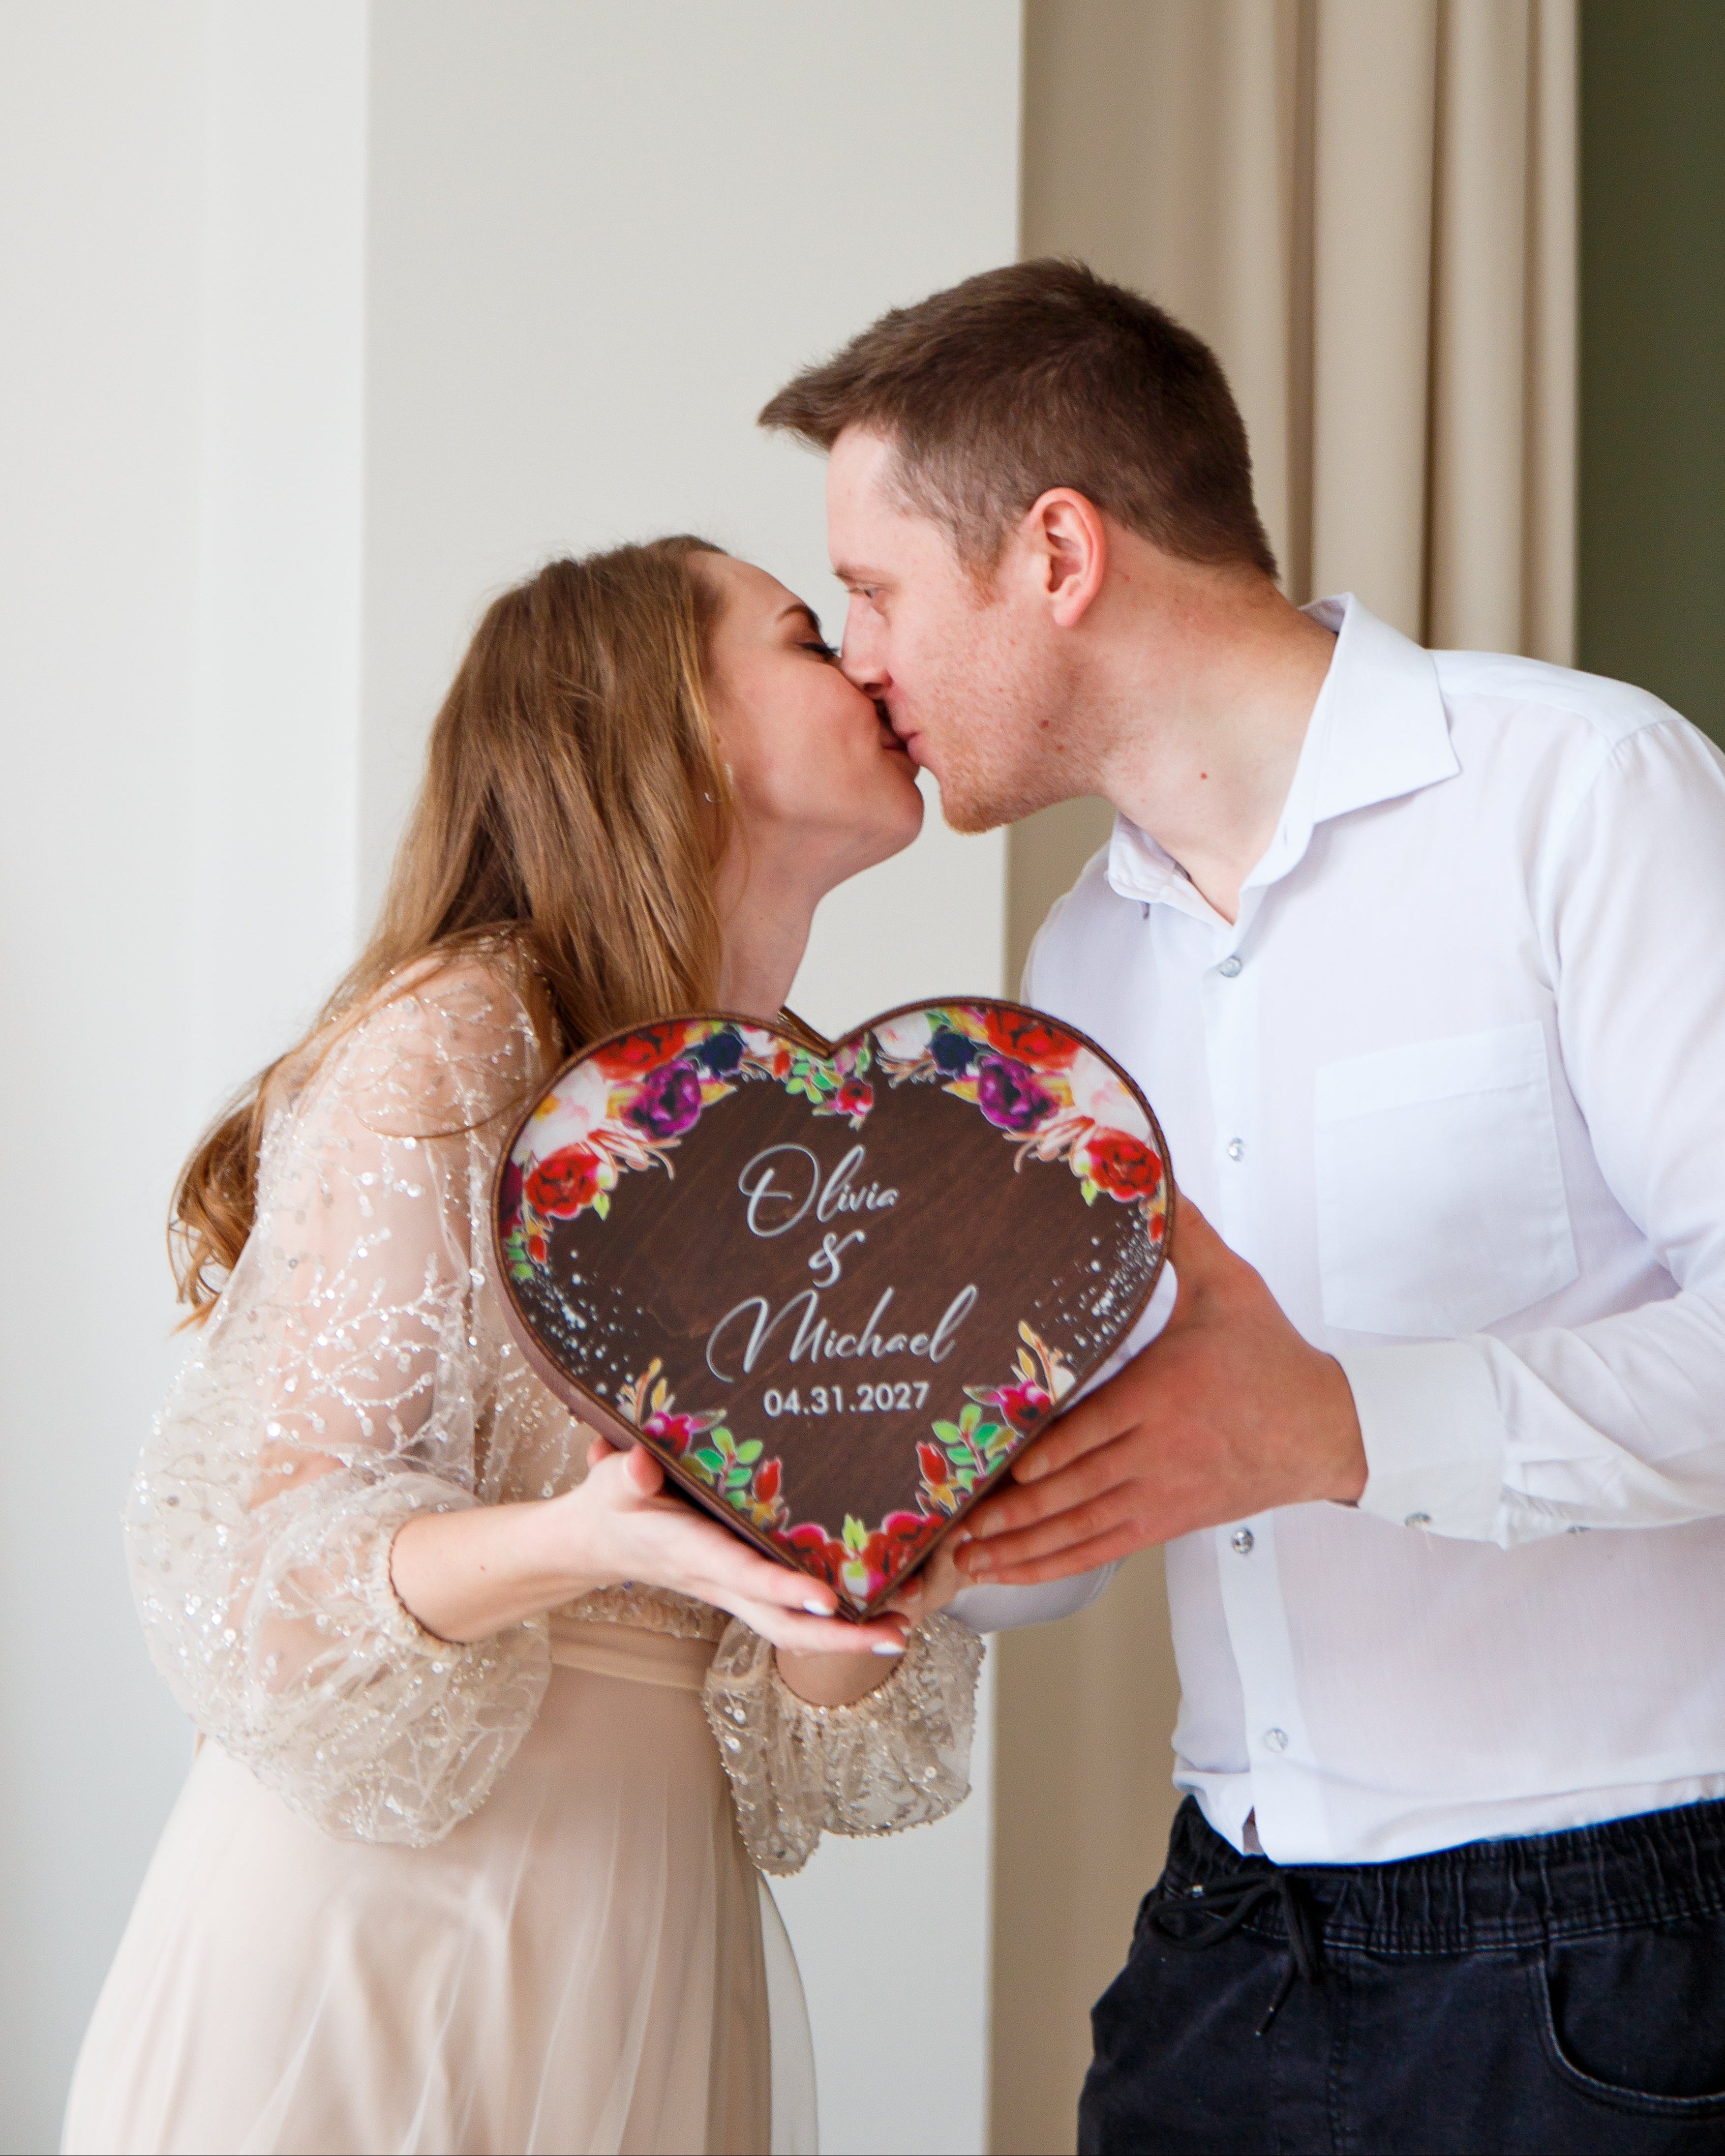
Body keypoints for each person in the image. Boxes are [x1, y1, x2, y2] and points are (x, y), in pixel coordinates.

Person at [760, 260, 1725, 2153]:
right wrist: (888, 1504)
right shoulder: (1067, 967)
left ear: (1057, 552)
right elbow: (1102, 1515)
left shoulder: (1578, 794)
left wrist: (1343, 1423)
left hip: (1611, 1952)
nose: (860, 661)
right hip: (1223, 1951)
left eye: (875, 592)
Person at [63, 538, 992, 2156]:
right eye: (799, 635)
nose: (862, 663)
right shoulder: (460, 1037)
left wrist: (876, 1571)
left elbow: (817, 1723)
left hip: (647, 1924)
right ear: (670, 724)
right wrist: (580, 1543)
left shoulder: (809, 1134)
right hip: (383, 1935)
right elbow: (259, 1585)